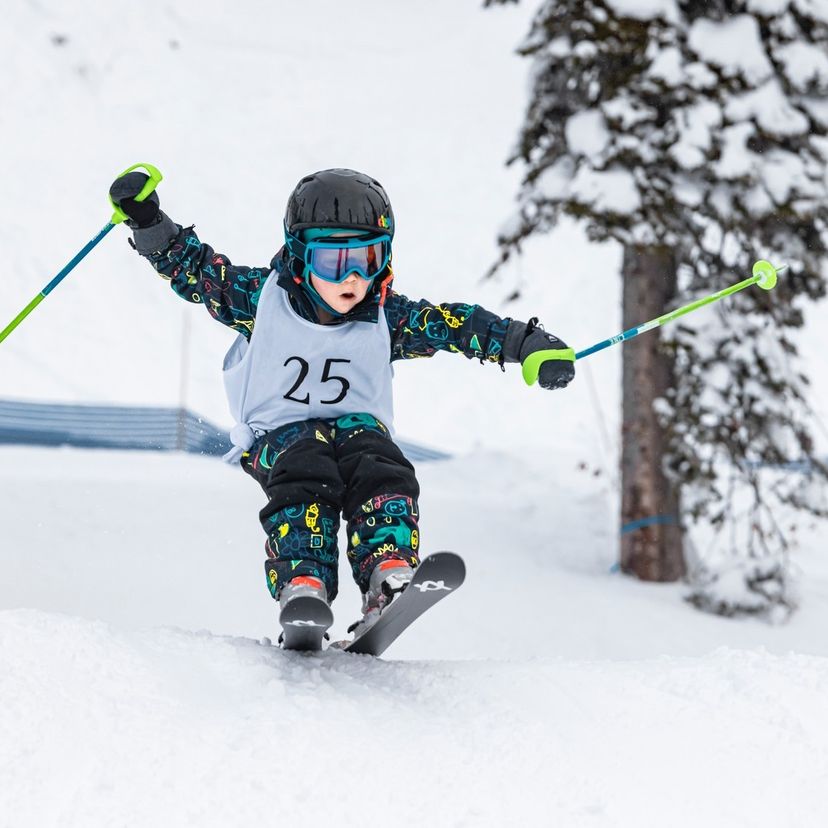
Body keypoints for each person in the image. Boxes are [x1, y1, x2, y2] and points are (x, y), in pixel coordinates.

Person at [109, 167, 575, 640]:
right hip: (278, 438)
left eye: (368, 259)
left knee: (379, 462)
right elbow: (196, 270)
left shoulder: (385, 314)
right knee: (307, 463)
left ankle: (388, 574)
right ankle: (303, 581)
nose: (353, 279)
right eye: (334, 263)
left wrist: (526, 343)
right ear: (299, 257)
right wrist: (147, 220)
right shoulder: (260, 300)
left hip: (358, 432)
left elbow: (455, 324)